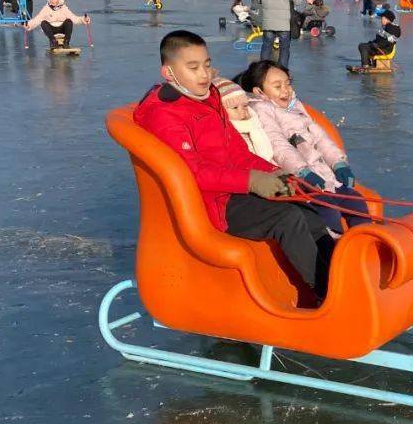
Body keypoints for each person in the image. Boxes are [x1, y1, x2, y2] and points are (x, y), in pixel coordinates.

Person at [134, 31, 335, 303]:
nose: (204, 74)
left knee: (306, 209)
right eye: (192, 67)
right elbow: (192, 172)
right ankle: (328, 296)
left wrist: (274, 173)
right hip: (212, 204)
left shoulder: (209, 97)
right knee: (287, 218)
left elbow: (237, 152)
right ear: (168, 72)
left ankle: (339, 279)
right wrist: (252, 181)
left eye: (206, 64)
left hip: (232, 189)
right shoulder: (165, 115)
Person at [238, 60, 370, 234]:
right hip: (299, 180)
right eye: (278, 86)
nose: (286, 90)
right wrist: (303, 172)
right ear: (259, 91)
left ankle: (366, 245)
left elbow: (320, 137)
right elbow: (279, 145)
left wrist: (339, 163)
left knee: (356, 202)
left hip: (325, 175)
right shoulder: (262, 109)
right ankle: (334, 249)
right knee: (327, 212)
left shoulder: (296, 106)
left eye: (288, 83)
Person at [255, 0, 299, 68]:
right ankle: (282, 71)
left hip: (268, 21)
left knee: (266, 46)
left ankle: (262, 71)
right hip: (283, 22)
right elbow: (298, 0)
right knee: (284, 48)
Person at [215, 78, 274, 161]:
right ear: (220, 110)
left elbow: (267, 153)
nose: (242, 111)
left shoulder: (254, 124)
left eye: (245, 105)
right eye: (235, 107)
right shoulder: (223, 133)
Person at [26, 0, 90, 48]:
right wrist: (29, 25)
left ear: (59, 0)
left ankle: (66, 42)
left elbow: (74, 19)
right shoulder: (46, 8)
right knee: (43, 22)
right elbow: (37, 19)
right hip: (52, 31)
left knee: (69, 21)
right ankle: (53, 41)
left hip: (62, 29)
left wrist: (83, 19)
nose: (53, 0)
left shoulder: (64, 8)